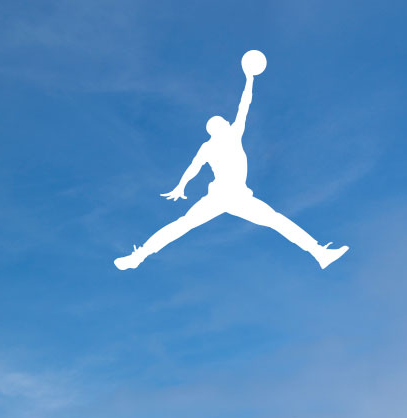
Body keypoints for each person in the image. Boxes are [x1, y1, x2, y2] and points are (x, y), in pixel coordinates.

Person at [114, 52, 347, 270]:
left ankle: (319, 253)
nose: (227, 122)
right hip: (223, 196)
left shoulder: (221, 139)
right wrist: (249, 78)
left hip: (235, 196)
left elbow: (242, 107)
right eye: (222, 122)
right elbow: (241, 108)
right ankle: (138, 256)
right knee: (188, 225)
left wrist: (181, 186)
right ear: (217, 128)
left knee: (189, 225)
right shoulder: (223, 139)